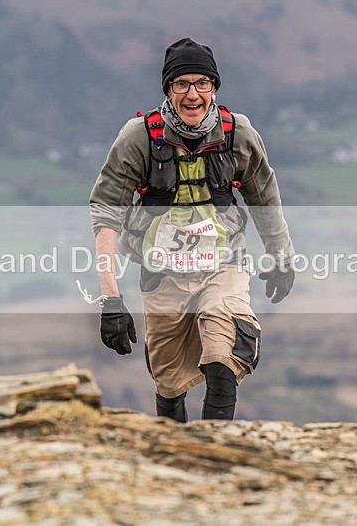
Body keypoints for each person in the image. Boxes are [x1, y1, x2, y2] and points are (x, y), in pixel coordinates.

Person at [89, 37, 295, 422]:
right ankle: (174, 458)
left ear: (214, 88)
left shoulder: (239, 135)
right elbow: (106, 214)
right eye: (181, 83)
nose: (193, 94)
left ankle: (215, 460)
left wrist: (282, 258)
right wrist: (110, 300)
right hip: (162, 272)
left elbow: (265, 199)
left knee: (224, 358)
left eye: (203, 83)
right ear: (168, 89)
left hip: (223, 265)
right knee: (168, 383)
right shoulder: (138, 138)